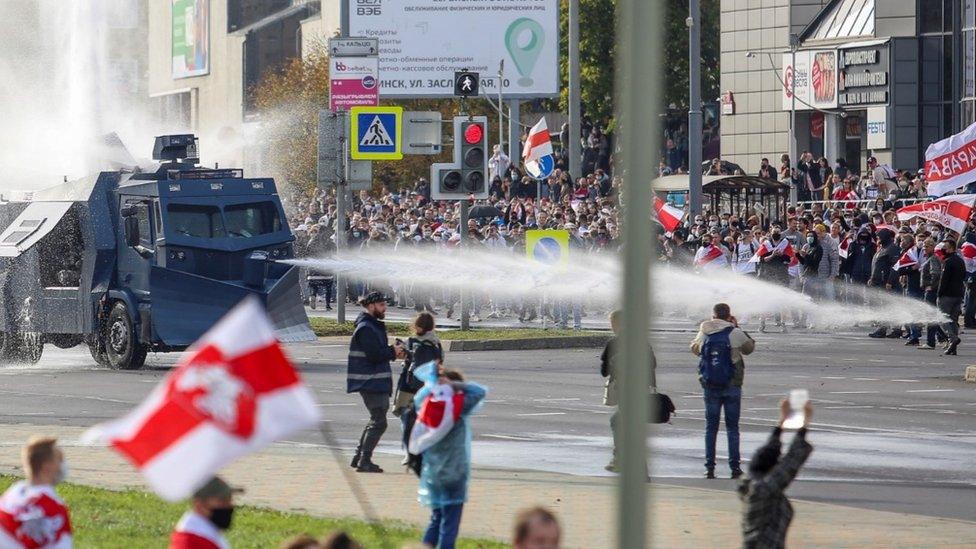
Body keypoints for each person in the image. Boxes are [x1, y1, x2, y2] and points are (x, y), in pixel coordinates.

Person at [416, 368, 487, 549]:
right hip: (455, 472)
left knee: (436, 518)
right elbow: (480, 391)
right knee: (450, 524)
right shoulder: (459, 407)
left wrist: (433, 385)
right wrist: (455, 385)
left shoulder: (428, 406)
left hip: (433, 473)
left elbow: (417, 399)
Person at [690, 303, 755, 479]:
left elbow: (695, 350)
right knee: (732, 428)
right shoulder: (734, 332)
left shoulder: (704, 331)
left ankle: (709, 467)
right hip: (732, 384)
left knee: (711, 428)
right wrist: (737, 327)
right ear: (729, 316)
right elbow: (749, 348)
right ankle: (735, 467)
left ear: (714, 315)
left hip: (710, 384)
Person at [738, 399, 814, 549]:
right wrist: (805, 424)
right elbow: (790, 463)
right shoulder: (760, 491)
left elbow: (769, 453)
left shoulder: (751, 483)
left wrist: (782, 421)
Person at [348, 291, 406, 473]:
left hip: (374, 381)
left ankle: (359, 457)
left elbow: (378, 352)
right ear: (371, 306)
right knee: (379, 421)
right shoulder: (366, 327)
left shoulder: (372, 325)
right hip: (370, 381)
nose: (385, 308)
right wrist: (392, 351)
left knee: (376, 419)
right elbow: (374, 355)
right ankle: (364, 461)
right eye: (381, 305)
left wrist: (392, 351)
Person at [601, 310, 657, 472]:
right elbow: (652, 364)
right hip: (642, 390)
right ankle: (640, 468)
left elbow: (604, 371)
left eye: (612, 323)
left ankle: (620, 458)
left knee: (619, 423)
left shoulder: (614, 343)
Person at [0, 436, 72, 549]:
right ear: (47, 466)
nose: (63, 465)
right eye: (60, 460)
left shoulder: (11, 496)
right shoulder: (54, 508)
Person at [395, 312, 444, 469]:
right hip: (427, 385)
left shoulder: (416, 342)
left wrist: (405, 354)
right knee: (419, 418)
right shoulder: (436, 343)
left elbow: (411, 360)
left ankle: (411, 452)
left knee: (406, 417)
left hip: (410, 383)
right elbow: (440, 362)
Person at [169, 477, 242, 549]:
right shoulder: (190, 541)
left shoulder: (206, 532)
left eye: (229, 500)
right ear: (199, 505)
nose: (229, 506)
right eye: (222, 501)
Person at [938, 238, 965, 356]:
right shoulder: (960, 261)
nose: (944, 249)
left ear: (952, 248)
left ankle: (952, 338)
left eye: (946, 247)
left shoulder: (948, 261)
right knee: (953, 320)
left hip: (947, 295)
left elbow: (943, 280)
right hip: (958, 294)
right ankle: (952, 348)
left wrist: (939, 294)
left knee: (942, 319)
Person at [919, 239, 947, 350]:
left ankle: (931, 342)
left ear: (932, 247)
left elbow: (936, 274)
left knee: (930, 316)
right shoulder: (930, 258)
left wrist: (931, 285)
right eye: (923, 247)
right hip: (929, 291)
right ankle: (945, 337)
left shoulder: (934, 259)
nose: (924, 249)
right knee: (932, 316)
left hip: (931, 292)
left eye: (926, 247)